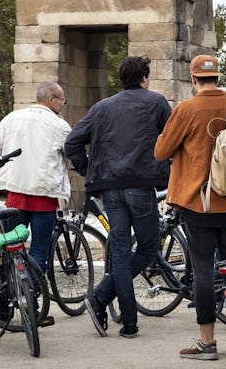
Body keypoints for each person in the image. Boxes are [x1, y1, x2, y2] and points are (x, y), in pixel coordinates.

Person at [154, 54, 226, 360]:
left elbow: (161, 152)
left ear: (193, 80)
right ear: (218, 76)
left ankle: (207, 342)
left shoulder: (186, 109)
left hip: (198, 203)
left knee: (203, 270)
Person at [66, 56, 172, 339]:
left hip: (110, 188)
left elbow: (72, 142)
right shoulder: (156, 102)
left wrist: (90, 169)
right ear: (145, 78)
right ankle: (101, 299)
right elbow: (174, 139)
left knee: (122, 254)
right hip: (140, 185)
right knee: (148, 248)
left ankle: (127, 321)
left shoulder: (102, 107)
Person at [0, 81, 72, 274]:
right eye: (62, 101)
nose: (62, 105)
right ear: (51, 99)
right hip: (45, 196)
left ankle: (9, 296)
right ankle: (33, 294)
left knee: (12, 248)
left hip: (15, 195)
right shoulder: (60, 125)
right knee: (39, 251)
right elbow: (71, 155)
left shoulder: (11, 119)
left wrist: (1, 176)